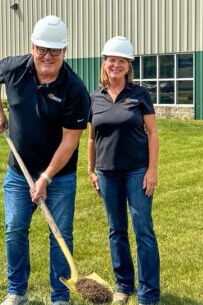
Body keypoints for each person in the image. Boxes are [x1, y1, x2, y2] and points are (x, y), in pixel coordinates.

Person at [0, 15, 90, 305]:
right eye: (42, 49)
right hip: (19, 172)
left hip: (60, 176)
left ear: (64, 51)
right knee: (15, 228)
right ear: (33, 46)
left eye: (55, 50)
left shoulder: (75, 90)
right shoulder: (16, 68)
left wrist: (46, 177)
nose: (47, 56)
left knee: (61, 236)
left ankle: (59, 298)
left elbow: (70, 142)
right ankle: (17, 292)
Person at [87, 36, 160, 305]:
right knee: (116, 230)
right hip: (107, 173)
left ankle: (148, 293)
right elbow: (92, 138)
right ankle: (123, 285)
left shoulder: (140, 95)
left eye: (121, 61)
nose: (115, 65)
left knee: (143, 230)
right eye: (111, 60)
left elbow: (152, 133)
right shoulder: (94, 97)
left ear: (129, 66)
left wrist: (152, 171)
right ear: (104, 64)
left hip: (137, 172)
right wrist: (91, 170)